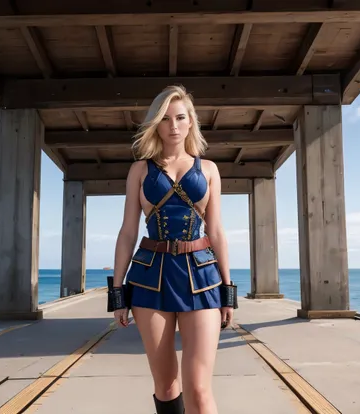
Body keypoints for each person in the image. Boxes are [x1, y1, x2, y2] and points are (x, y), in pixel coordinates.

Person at [106, 85, 238, 414]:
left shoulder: (208, 169)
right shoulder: (139, 169)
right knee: (166, 385)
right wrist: (117, 293)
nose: (174, 125)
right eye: (165, 119)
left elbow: (217, 231)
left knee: (198, 387)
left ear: (191, 122)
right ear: (156, 124)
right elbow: (127, 232)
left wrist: (228, 290)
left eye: (180, 117)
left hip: (202, 278)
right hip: (151, 278)